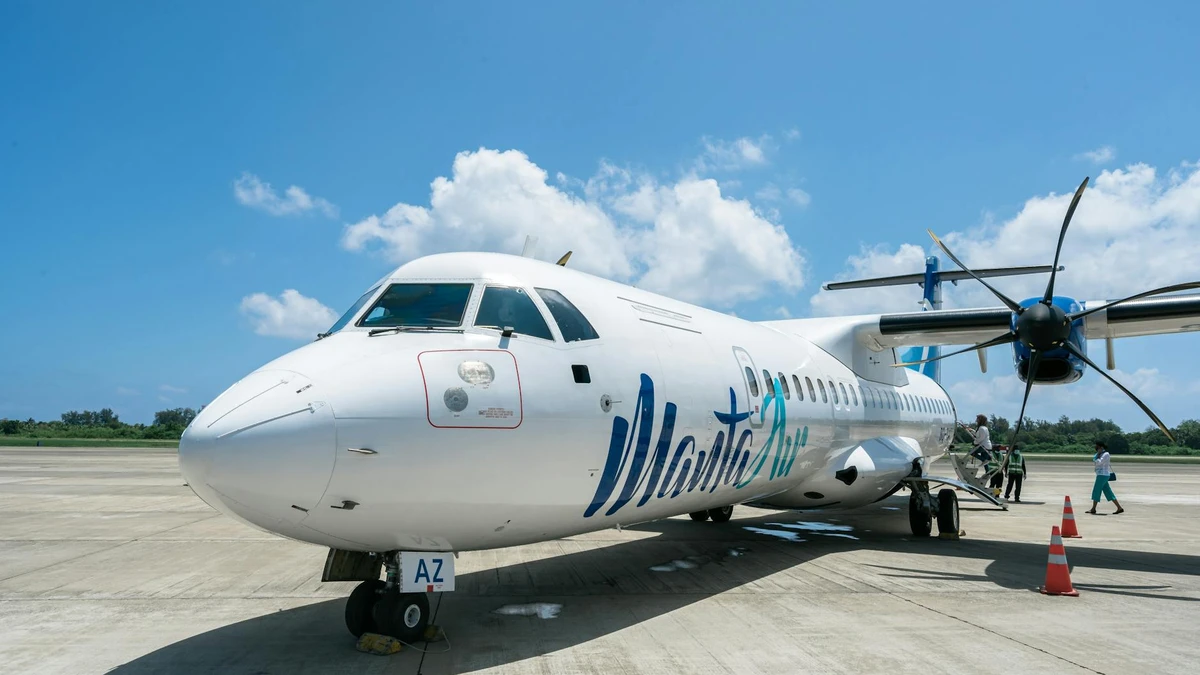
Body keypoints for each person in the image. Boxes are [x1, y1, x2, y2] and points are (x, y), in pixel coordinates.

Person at [1087, 441, 1124, 515]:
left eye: (1097, 446)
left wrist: (1097, 456)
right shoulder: (1098, 454)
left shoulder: (1106, 454)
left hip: (1103, 475)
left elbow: (1099, 462)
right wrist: (1097, 455)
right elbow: (1094, 460)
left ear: (1101, 447)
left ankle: (1093, 509)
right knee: (1108, 492)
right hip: (1101, 474)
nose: (1096, 448)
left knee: (1096, 490)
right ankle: (1119, 508)